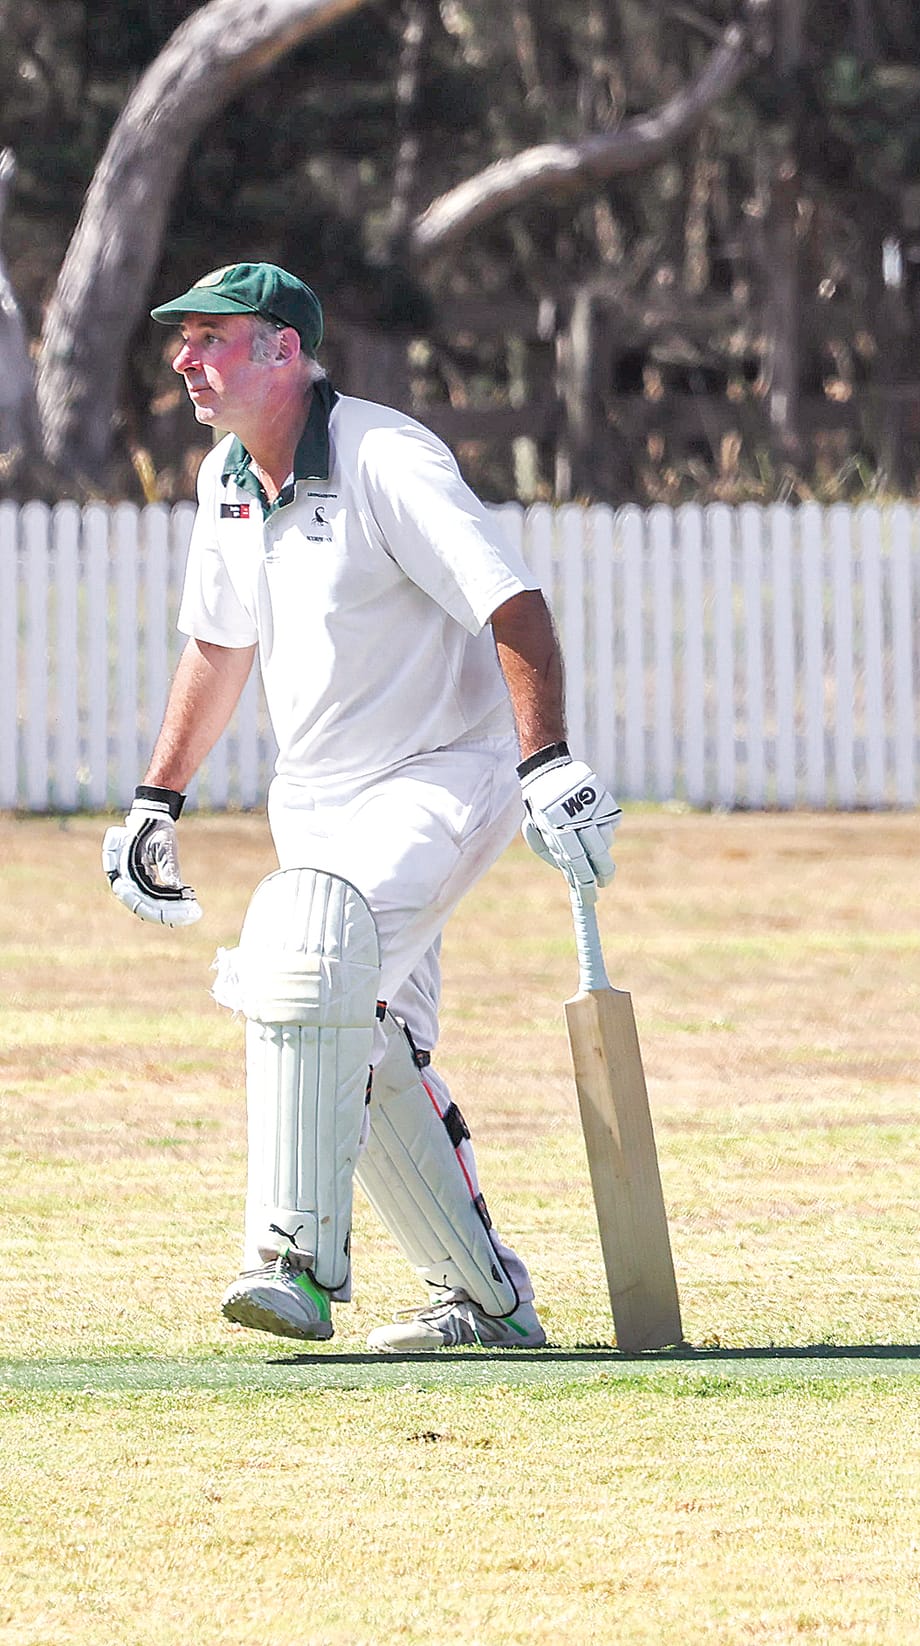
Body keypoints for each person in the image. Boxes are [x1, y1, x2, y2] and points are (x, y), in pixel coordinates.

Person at [105, 262, 621, 1353]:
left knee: (303, 968)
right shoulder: (228, 479)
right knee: (370, 1035)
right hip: (319, 801)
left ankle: (289, 1259)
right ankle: (486, 1301)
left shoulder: (387, 457)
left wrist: (548, 764)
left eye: (210, 337)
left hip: (443, 771)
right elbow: (219, 642)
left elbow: (512, 604)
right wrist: (159, 797)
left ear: (283, 348)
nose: (184, 358)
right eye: (181, 340)